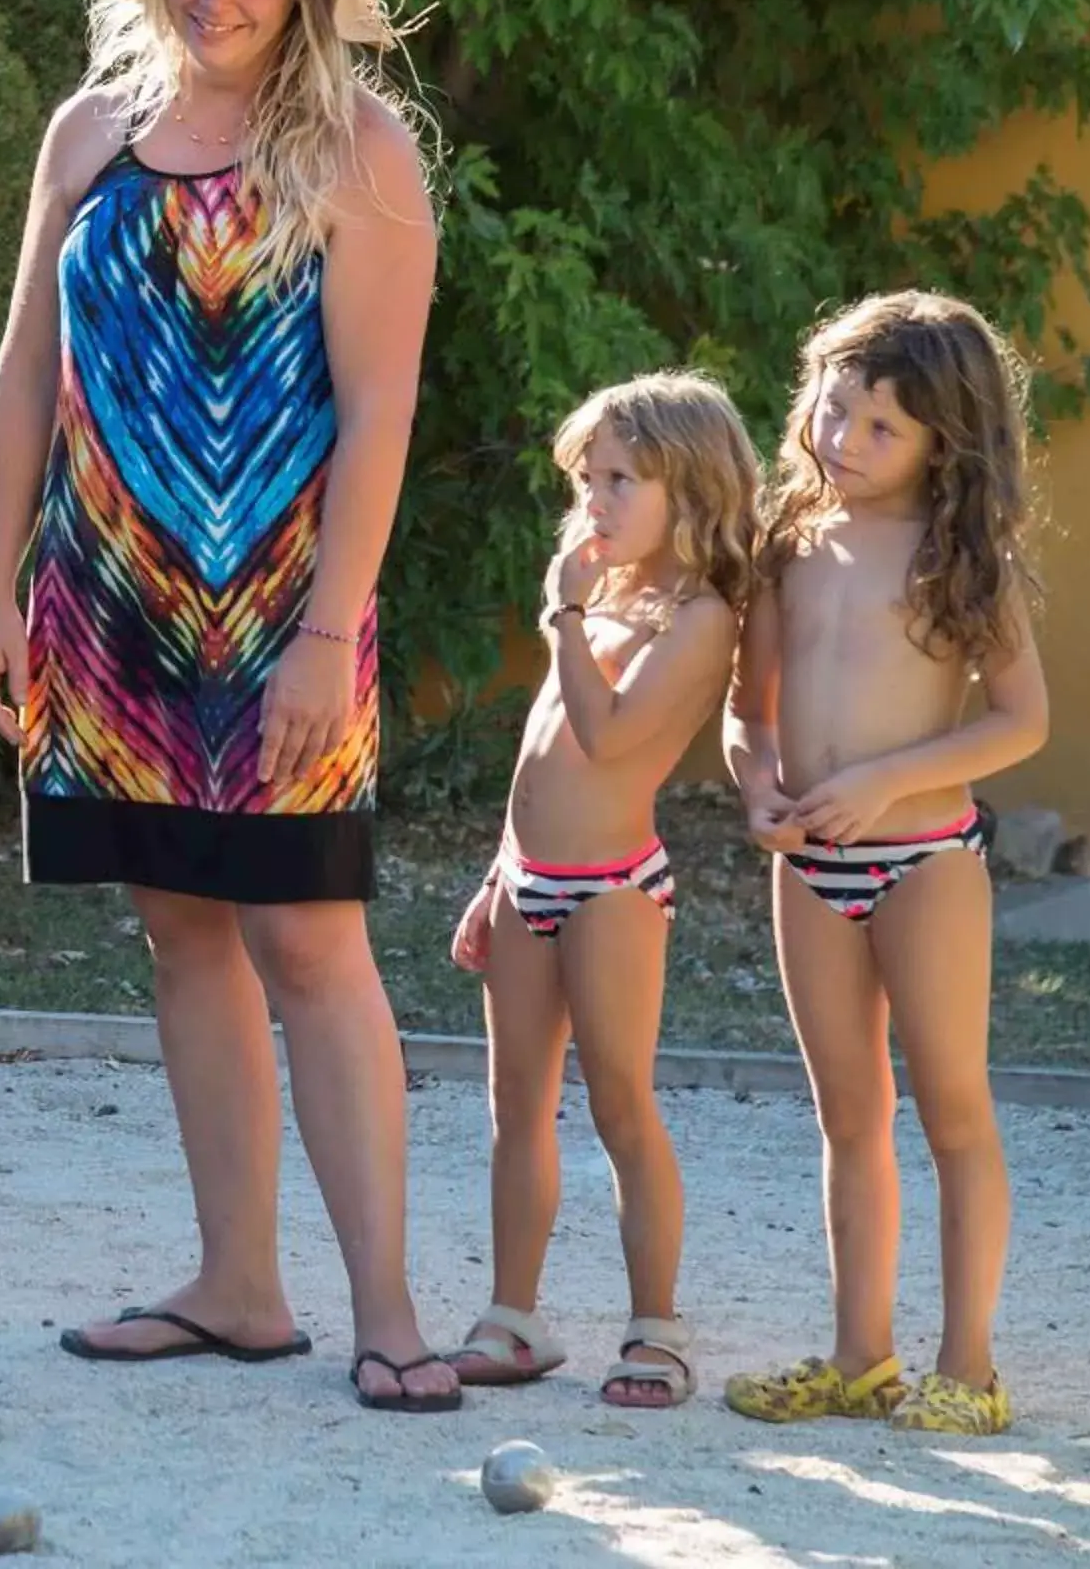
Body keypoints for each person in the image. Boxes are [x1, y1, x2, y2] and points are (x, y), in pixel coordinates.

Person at [0, 0, 457, 1412]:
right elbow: (27, 371)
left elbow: (379, 410)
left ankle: (389, 1311)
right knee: (179, 930)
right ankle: (239, 1285)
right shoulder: (88, 135)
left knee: (311, 945)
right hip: (104, 612)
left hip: (285, 622)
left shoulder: (360, 150)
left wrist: (330, 632)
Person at [720, 291, 1049, 1436]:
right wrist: (760, 785)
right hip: (807, 870)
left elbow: (1019, 722)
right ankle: (862, 1357)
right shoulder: (787, 545)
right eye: (833, 408)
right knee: (848, 1116)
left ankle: (972, 1367)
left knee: (954, 1111)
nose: (841, 440)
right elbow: (747, 713)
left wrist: (883, 782)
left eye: (880, 429)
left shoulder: (967, 560)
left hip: (924, 863)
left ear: (943, 444)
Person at [443, 373, 760, 1410]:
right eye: (589, 480)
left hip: (613, 889)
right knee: (515, 1107)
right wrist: (498, 873)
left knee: (620, 1101)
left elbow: (609, 737)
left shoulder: (699, 613)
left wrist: (564, 617)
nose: (598, 502)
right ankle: (515, 1317)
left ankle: (656, 1329)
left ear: (694, 487)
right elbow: (538, 751)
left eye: (624, 479)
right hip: (529, 879)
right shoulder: (606, 598)